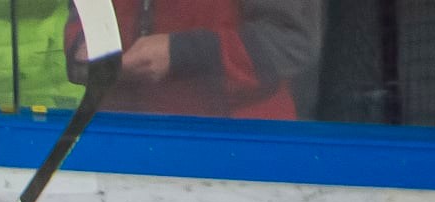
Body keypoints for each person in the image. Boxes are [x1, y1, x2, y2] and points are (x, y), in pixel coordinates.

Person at [65, 0, 321, 120]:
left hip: (236, 150)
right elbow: (83, 11)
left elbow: (292, 41)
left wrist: (178, 54)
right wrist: (82, 44)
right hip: (120, 140)